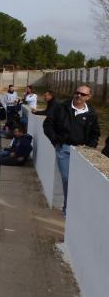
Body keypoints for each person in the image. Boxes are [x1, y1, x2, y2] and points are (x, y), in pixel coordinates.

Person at [43, 85, 100, 215]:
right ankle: (67, 209)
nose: (79, 95)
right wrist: (56, 140)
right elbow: (47, 124)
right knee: (68, 179)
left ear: (88, 97)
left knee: (80, 181)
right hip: (64, 149)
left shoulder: (91, 113)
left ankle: (75, 209)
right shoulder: (61, 108)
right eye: (77, 92)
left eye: (83, 94)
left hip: (82, 151)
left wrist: (90, 147)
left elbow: (95, 133)